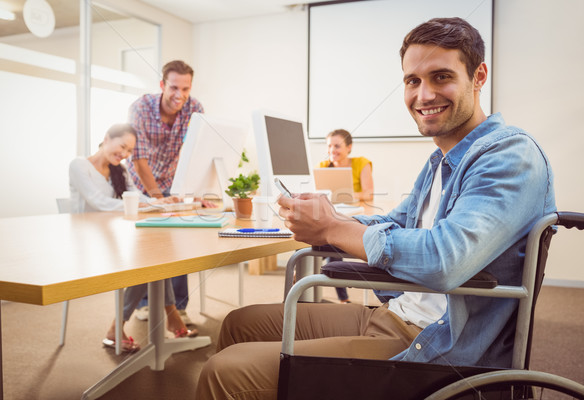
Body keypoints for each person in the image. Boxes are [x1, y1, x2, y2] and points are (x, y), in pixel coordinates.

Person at [195, 17, 556, 399]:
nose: (424, 94)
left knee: (225, 372)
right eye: (412, 81)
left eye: (441, 77)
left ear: (478, 76)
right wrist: (328, 219)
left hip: (437, 344)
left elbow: (444, 259)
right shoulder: (442, 160)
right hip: (398, 313)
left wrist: (333, 230)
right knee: (239, 323)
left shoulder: (509, 155)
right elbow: (394, 222)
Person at [69, 123, 198, 353]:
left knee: (155, 254)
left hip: (114, 235)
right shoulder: (79, 165)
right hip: (88, 239)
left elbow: (135, 196)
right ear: (107, 138)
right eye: (123, 147)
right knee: (146, 258)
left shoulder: (120, 169)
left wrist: (158, 201)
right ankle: (168, 316)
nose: (125, 154)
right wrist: (141, 203)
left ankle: (134, 323)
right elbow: (98, 202)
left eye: (130, 151)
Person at [125, 60, 205, 322]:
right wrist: (158, 199)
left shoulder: (195, 109)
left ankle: (178, 307)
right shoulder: (140, 108)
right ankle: (146, 303)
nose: (179, 95)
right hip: (141, 183)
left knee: (178, 238)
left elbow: (196, 152)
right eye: (173, 87)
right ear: (162, 85)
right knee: (148, 243)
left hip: (172, 180)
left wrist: (194, 190)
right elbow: (139, 159)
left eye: (185, 88)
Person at [318, 129, 374, 303]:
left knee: (333, 238)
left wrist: (346, 195)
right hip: (331, 212)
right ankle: (302, 275)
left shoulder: (361, 163)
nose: (332, 150)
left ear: (349, 147)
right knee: (316, 236)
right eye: (329, 146)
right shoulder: (323, 166)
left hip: (354, 214)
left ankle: (342, 297)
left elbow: (369, 193)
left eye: (337, 146)